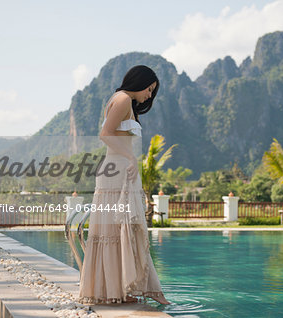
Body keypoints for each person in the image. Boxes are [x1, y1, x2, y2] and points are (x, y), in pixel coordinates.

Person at [78, 65, 170, 305]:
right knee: (117, 230)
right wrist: (130, 158)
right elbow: (106, 134)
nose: (149, 95)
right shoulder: (122, 100)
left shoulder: (121, 100)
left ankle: (117, 291)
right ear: (139, 82)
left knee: (120, 230)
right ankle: (115, 292)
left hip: (119, 171)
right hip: (117, 171)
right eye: (149, 89)